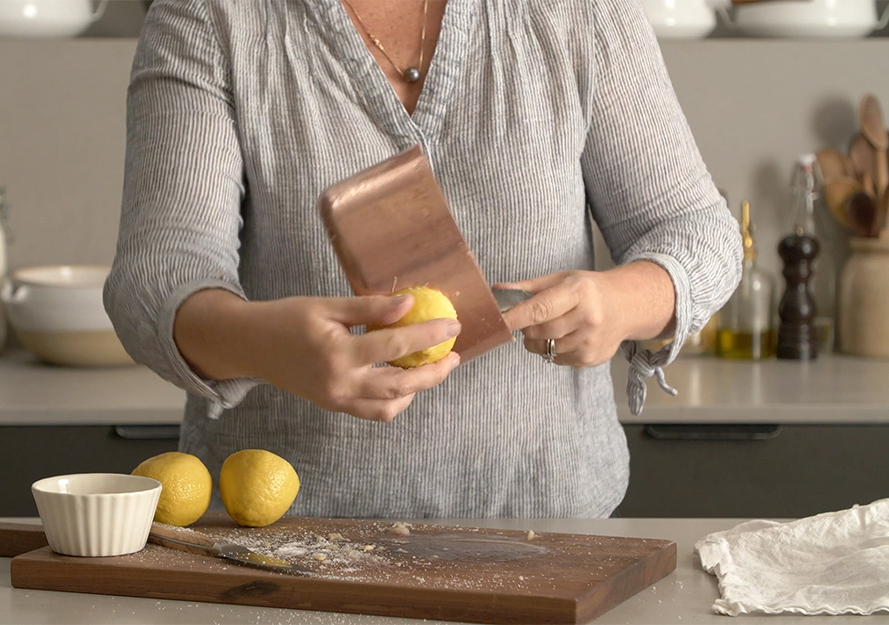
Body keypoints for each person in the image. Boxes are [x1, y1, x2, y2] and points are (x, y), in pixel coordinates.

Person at [105, 0, 742, 519]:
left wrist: (622, 303)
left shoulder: (579, 12)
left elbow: (699, 232)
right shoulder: (210, 17)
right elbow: (156, 275)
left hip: (548, 531)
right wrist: (264, 346)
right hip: (279, 547)